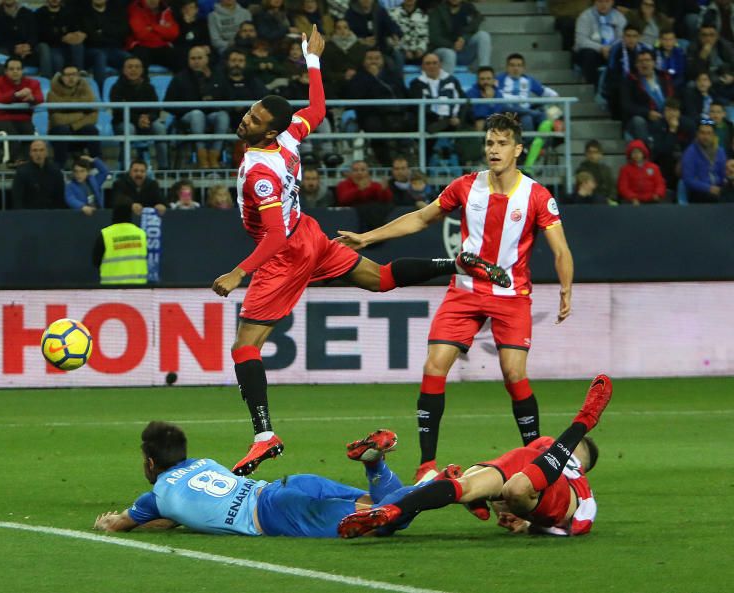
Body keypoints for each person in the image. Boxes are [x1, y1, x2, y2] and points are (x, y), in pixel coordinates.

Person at [213, 26, 509, 477]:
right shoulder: (287, 139)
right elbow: (316, 108)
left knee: (244, 348)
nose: (245, 120)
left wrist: (238, 273)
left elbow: (272, 236)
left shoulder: (259, 172)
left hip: (286, 252)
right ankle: (458, 264)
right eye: (248, 114)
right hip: (310, 236)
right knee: (382, 278)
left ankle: (263, 435)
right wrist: (312, 60)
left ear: (268, 129)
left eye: (253, 119)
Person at [336, 112, 575, 483]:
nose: (493, 150)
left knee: (514, 374)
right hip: (465, 290)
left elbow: (560, 249)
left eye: (501, 144)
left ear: (518, 149)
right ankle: (426, 467)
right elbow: (420, 218)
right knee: (434, 366)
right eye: (489, 143)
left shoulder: (537, 196)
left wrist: (565, 287)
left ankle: (536, 460)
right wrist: (367, 238)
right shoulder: (466, 186)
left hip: (511, 295)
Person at [338, 374, 613, 538]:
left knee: (467, 485)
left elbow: (578, 524)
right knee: (508, 488)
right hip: (538, 482)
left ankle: (396, 509)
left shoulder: (563, 464)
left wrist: (526, 524)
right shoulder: (583, 489)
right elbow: (580, 524)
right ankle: (585, 419)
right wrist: (530, 525)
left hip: (525, 461)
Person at [93, 421, 427, 537]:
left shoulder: (157, 498)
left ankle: (448, 488)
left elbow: (121, 524)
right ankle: (376, 465)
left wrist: (108, 522)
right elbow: (172, 519)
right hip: (293, 484)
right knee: (389, 509)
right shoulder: (206, 463)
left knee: (385, 523)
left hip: (277, 512)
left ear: (151, 463)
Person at [164, 46, 230, 170]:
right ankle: (202, 156)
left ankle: (214, 155)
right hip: (187, 116)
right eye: (193, 58)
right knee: (197, 114)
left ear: (206, 59)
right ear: (188, 60)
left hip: (211, 114)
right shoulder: (180, 78)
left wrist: (213, 100)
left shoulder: (217, 76)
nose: (196, 61)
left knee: (223, 116)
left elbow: (228, 98)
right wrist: (192, 107)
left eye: (199, 58)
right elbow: (168, 104)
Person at [109, 57, 168, 169]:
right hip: (123, 122)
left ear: (142, 70)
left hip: (146, 122)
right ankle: (125, 167)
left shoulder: (149, 87)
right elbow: (118, 112)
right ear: (124, 70)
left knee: (160, 128)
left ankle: (163, 168)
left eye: (137, 67)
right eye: (130, 67)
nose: (133, 70)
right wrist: (138, 119)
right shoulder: (116, 88)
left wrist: (148, 118)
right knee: (129, 129)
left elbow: (155, 110)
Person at [0, 57, 43, 165]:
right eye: (12, 69)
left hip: (22, 117)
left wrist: (31, 98)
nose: (15, 71)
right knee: (11, 133)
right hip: (0, 117)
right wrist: (16, 94)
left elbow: (40, 98)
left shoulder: (33, 83)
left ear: (22, 71)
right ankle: (12, 160)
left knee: (29, 132)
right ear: (6, 71)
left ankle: (24, 160)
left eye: (18, 69)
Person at [47, 64, 102, 166]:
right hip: (59, 132)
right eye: (67, 75)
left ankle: (98, 166)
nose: (71, 78)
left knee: (92, 129)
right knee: (62, 129)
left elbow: (94, 115)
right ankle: (59, 168)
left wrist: (73, 125)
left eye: (74, 74)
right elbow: (56, 119)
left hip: (79, 131)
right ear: (61, 77)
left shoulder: (87, 90)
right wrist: (81, 113)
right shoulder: (52, 93)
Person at [620, 48, 674, 147]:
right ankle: (647, 151)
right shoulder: (630, 80)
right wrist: (647, 113)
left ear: (654, 63)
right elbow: (627, 105)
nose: (644, 64)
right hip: (643, 119)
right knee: (638, 121)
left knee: (689, 124)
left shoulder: (664, 77)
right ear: (636, 65)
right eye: (640, 61)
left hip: (665, 117)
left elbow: (673, 98)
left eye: (647, 60)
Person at [497, 54, 559, 132]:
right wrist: (519, 99)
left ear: (523, 68)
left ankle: (542, 142)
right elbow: (498, 95)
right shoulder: (499, 79)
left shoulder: (528, 80)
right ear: (507, 67)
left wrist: (555, 95)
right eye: (512, 65)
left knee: (542, 117)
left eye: (519, 65)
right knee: (528, 118)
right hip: (506, 111)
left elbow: (543, 91)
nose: (516, 68)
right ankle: (528, 142)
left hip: (525, 110)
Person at [427, 0, 491, 75]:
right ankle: (447, 83)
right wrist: (452, 45)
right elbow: (434, 37)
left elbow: (476, 21)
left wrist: (464, 38)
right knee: (450, 53)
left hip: (463, 49)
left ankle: (484, 72)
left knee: (483, 35)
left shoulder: (468, 7)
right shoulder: (438, 9)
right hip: (443, 51)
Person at [93, 198, 148, 285]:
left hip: (111, 288)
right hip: (138, 289)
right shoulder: (141, 234)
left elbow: (96, 261)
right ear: (130, 213)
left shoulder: (105, 234)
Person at [78, 0, 131, 88]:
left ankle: (126, 90)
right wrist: (110, 33)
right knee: (100, 56)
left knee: (129, 59)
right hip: (91, 50)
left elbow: (123, 31)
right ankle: (101, 90)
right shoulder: (85, 13)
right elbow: (91, 37)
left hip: (113, 49)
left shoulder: (115, 11)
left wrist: (102, 32)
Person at [573, 0, 626, 86]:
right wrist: (601, 48)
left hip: (611, 51)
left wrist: (611, 49)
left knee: (623, 54)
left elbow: (622, 38)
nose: (603, 5)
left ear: (612, 2)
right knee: (589, 54)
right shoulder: (585, 16)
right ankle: (591, 88)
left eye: (607, 1)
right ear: (595, 2)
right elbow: (581, 40)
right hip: (592, 51)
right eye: (600, 1)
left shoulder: (619, 17)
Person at [345, 0, 404, 70]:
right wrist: (362, 41)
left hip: (380, 48)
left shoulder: (380, 11)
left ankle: (397, 80)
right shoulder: (350, 14)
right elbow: (346, 36)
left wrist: (395, 34)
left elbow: (391, 25)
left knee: (398, 56)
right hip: (360, 50)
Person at [125, 0, 179, 72]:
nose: (152, 1)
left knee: (179, 58)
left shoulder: (166, 9)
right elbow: (141, 34)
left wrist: (152, 27)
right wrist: (162, 30)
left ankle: (179, 82)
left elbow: (173, 33)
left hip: (162, 46)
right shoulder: (136, 8)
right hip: (141, 45)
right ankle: (143, 82)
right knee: (139, 59)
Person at [10, 140, 66, 209]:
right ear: (30, 153)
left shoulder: (55, 171)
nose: (38, 153)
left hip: (50, 214)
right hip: (29, 215)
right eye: (35, 150)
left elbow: (60, 197)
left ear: (46, 153)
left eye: (41, 150)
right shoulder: (22, 172)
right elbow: (17, 199)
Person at [681, 119, 726, 203]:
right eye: (702, 133)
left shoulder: (720, 151)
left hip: (719, 188)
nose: (706, 137)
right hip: (699, 192)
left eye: (709, 133)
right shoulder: (690, 153)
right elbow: (688, 179)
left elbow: (723, 174)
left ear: (714, 135)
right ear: (697, 134)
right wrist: (709, 188)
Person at [0, 0, 39, 72]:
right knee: (1, 52)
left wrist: (28, 46)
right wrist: (14, 48)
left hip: (27, 50)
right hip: (7, 50)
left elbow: (34, 34)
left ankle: (48, 79)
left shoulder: (27, 13)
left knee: (43, 48)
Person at [36, 0, 78, 77]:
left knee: (78, 44)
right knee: (58, 59)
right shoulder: (40, 13)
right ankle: (51, 82)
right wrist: (62, 38)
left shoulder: (68, 13)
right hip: (49, 47)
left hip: (66, 47)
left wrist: (73, 36)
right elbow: (39, 35)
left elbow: (74, 30)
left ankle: (78, 73)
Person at [617, 139, 666, 205]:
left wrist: (658, 194)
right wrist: (632, 197)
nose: (636, 155)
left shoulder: (654, 167)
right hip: (633, 201)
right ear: (630, 154)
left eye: (639, 152)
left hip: (652, 199)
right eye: (633, 152)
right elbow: (623, 187)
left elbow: (660, 183)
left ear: (644, 153)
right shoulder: (625, 169)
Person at [575, 139, 617, 204]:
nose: (592, 155)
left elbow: (612, 187)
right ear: (586, 154)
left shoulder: (606, 169)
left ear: (601, 154)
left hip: (607, 201)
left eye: (595, 152)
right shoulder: (581, 170)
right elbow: (585, 189)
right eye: (590, 152)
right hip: (590, 201)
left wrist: (610, 198)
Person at [389, 0, 429, 66]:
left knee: (431, 59)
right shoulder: (392, 13)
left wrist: (421, 48)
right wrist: (405, 50)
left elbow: (425, 36)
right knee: (397, 56)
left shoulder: (423, 14)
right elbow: (391, 36)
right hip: (400, 50)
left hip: (419, 51)